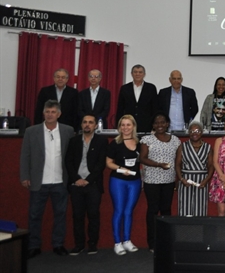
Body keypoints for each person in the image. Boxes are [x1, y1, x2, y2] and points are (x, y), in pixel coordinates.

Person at [20, 100, 75, 258]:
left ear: (59, 114)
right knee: (34, 215)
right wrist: (24, 176)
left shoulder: (68, 131)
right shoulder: (32, 131)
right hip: (38, 181)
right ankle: (34, 245)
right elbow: (25, 156)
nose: (50, 115)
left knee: (60, 215)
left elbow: (72, 156)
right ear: (43, 113)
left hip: (60, 181)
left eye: (53, 112)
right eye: (47, 112)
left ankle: (58, 245)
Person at [65, 114, 108, 255]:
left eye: (91, 122)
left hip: (93, 184)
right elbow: (68, 162)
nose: (87, 125)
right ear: (81, 125)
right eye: (85, 122)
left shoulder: (101, 141)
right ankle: (79, 244)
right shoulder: (73, 141)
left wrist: (88, 179)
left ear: (96, 125)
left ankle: (92, 244)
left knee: (93, 215)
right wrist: (76, 179)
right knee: (77, 215)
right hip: (76, 184)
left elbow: (101, 164)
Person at [139, 112, 181, 251]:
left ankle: (165, 241)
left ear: (168, 124)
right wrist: (158, 165)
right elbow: (142, 158)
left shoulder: (175, 140)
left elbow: (178, 161)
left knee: (166, 210)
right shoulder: (147, 139)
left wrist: (177, 178)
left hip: (169, 180)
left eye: (163, 122)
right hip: (152, 180)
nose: (160, 125)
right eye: (156, 123)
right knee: (153, 210)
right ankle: (152, 242)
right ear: (153, 125)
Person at [105, 115, 142, 256]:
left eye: (128, 125)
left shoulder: (139, 143)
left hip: (135, 182)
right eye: (123, 125)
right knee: (119, 210)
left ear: (133, 126)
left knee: (129, 211)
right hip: (118, 181)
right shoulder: (115, 143)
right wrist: (121, 169)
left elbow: (142, 163)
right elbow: (108, 163)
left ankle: (127, 240)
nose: (125, 128)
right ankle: (117, 242)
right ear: (119, 127)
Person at [176, 122, 214, 216]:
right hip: (186, 180)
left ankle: (199, 230)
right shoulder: (182, 146)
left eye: (197, 130)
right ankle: (184, 230)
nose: (194, 133)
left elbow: (211, 166)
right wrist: (181, 179)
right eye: (192, 131)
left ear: (201, 132)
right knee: (184, 208)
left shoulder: (208, 147)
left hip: (201, 181)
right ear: (188, 132)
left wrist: (206, 180)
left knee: (200, 209)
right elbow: (177, 164)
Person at [116, 64, 158, 133]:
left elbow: (155, 108)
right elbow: (120, 108)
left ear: (144, 74)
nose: (137, 74)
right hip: (128, 126)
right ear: (131, 74)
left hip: (146, 126)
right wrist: (119, 125)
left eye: (140, 72)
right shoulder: (125, 88)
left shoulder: (151, 88)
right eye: (135, 72)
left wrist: (154, 126)